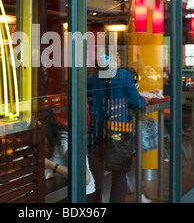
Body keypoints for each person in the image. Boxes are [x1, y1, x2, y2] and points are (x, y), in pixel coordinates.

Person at [88, 54, 146, 203]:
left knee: (95, 177)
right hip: (117, 134)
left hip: (95, 134)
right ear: (114, 60)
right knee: (119, 175)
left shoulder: (92, 77)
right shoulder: (123, 75)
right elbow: (138, 104)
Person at [44, 108, 96, 200]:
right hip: (65, 190)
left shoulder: (64, 142)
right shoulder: (53, 141)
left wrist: (50, 165)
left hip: (81, 195)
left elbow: (84, 178)